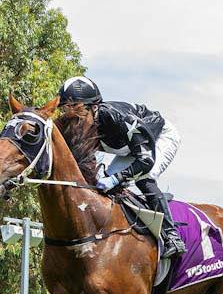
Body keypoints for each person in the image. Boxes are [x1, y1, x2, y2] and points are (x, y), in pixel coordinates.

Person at [57, 76, 186, 257]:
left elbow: (145, 161)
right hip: (130, 149)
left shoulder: (116, 117)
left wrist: (116, 178)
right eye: (69, 114)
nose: (75, 123)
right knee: (106, 190)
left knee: (143, 178)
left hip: (158, 139)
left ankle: (172, 236)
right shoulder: (82, 124)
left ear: (94, 108)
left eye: (79, 115)